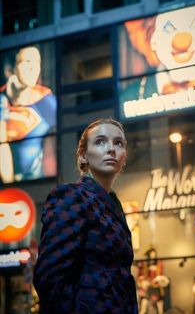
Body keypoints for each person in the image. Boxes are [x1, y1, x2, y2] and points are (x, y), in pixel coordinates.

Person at [33, 118, 138, 314]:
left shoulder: (113, 205)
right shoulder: (72, 196)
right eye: (100, 142)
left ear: (124, 157)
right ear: (83, 157)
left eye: (118, 143)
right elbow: (50, 276)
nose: (111, 149)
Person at [0, 46, 56, 183]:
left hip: (37, 180)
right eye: (27, 62)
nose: (34, 68)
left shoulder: (47, 101)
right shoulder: (2, 100)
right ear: (10, 68)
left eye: (37, 62)